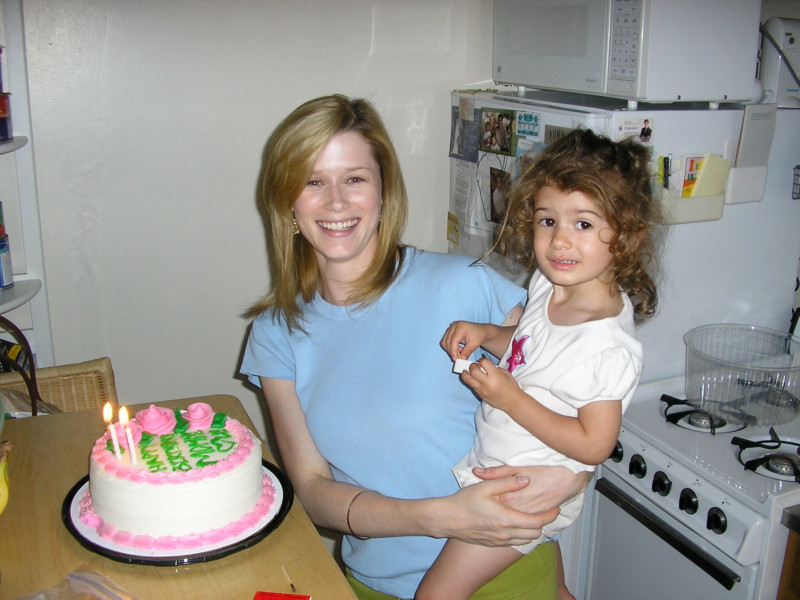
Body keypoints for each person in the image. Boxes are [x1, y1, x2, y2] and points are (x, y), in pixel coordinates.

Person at [240, 94, 591, 600]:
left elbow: (586, 387)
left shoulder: (465, 284)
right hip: (374, 587)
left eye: (354, 179)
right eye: (313, 181)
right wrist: (442, 517)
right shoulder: (276, 332)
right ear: (287, 202)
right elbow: (313, 491)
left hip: (505, 577)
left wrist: (577, 475)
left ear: (384, 191)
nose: (336, 202)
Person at [415, 128, 661, 600]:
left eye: (583, 224)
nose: (559, 241)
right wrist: (489, 334)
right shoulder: (552, 285)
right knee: (551, 585)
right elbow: (534, 349)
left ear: (629, 235)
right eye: (548, 220)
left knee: (436, 594)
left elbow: (595, 444)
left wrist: (511, 399)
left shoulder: (607, 346)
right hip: (511, 467)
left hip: (523, 492)